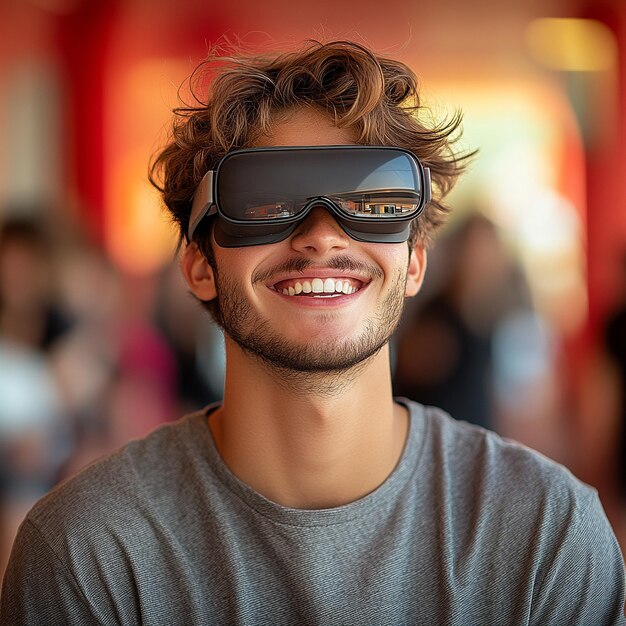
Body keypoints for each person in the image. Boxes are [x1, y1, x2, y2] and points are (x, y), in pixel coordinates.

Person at [1, 40, 624, 625]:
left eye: (372, 199)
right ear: (198, 266)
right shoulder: (88, 552)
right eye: (267, 202)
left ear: (414, 262)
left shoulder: (545, 535)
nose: (323, 234)